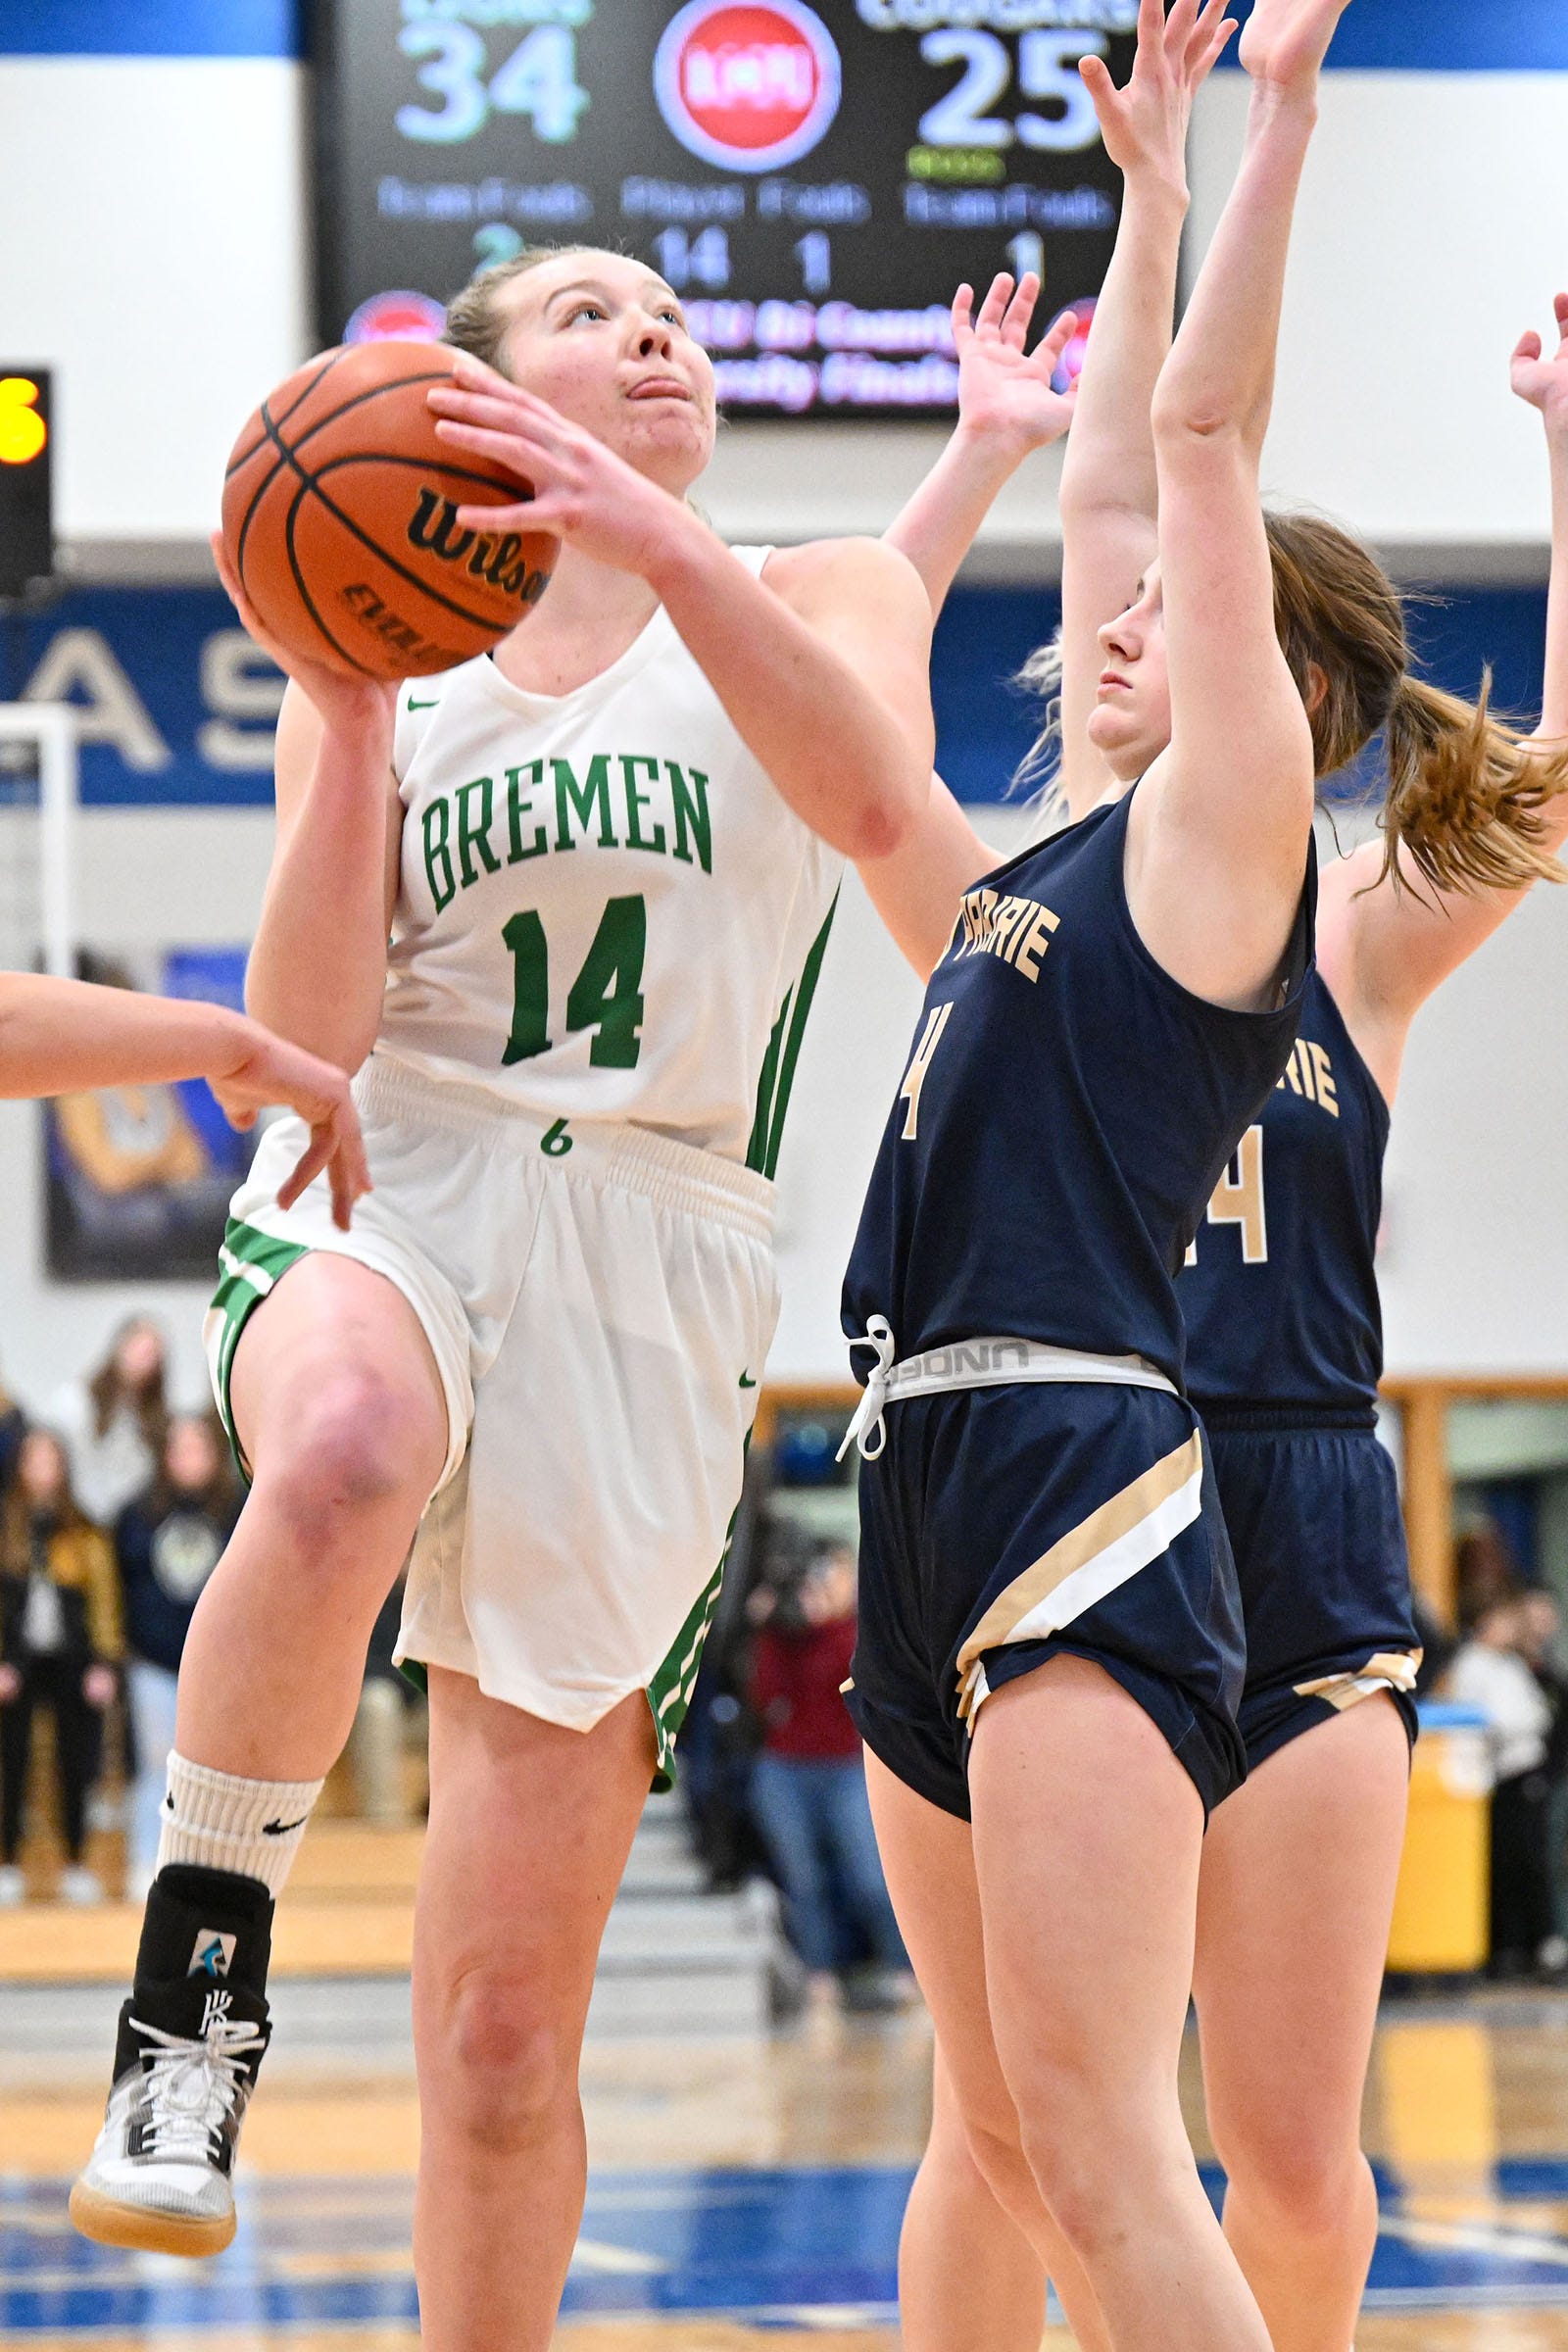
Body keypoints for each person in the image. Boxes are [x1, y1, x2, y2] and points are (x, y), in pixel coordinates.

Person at [71, 242, 935, 2346]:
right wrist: (355, 705)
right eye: (588, 311)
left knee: (495, 2038)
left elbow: (874, 811)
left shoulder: (823, 589)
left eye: (676, 318)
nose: (654, 333)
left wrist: (662, 544)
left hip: (658, 1245)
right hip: (399, 1166)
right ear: (471, 392)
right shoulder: (375, 639)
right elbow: (305, 1037)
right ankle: (193, 2011)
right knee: (350, 1441)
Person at [874, 14, 1568, 2352]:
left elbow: (1543, 768)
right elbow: (1121, 480)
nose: (1109, 620)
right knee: (1009, 2122)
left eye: (1168, 606)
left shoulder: (1345, 930)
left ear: (1271, 674)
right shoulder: (1080, 875)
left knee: (1282, 2150)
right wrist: (1149, 194)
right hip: (1058, 1459)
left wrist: (1558, 456)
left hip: (1276, 1486)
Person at [0, 969, 369, 1233]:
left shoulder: (149, 1085)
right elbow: (111, 1174)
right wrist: (238, 1046)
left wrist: (238, 1047)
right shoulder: (82, 1094)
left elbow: (191, 1160)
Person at [747, 1536, 911, 2010]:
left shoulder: (862, 1629)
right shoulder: (784, 1631)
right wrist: (770, 1628)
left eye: (834, 1573)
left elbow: (860, 1685)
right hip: (785, 1768)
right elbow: (766, 1697)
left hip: (848, 1766)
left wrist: (833, 1621)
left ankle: (904, 1969)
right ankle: (819, 1973)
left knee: (870, 1875)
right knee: (803, 1880)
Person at [114, 1416, 242, 1896]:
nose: (189, 1459)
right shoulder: (137, 1514)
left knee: (219, 1770)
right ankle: (146, 1862)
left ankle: (209, 1869)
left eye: (198, 1448)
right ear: (165, 1457)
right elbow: (123, 1589)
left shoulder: (240, 1510)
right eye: (180, 1449)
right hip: (155, 1663)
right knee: (156, 1764)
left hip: (220, 1664)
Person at [0, 1429, 122, 1904]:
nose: (42, 1470)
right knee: (12, 1764)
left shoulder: (82, 1528)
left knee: (77, 1764)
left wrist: (104, 1663)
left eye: (51, 1460)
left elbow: (104, 1601)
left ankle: (76, 1861)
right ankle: (8, 1862)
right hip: (17, 1664)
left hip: (74, 1661)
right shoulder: (7, 1527)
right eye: (34, 1460)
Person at [1450, 1592, 1560, 1978]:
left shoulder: (1510, 1664)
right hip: (1502, 1772)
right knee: (1512, 1863)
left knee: (1533, 1860)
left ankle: (1537, 1946)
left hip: (1530, 1765)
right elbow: (1489, 1719)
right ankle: (1509, 1948)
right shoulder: (1471, 1664)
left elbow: (1536, 1713)